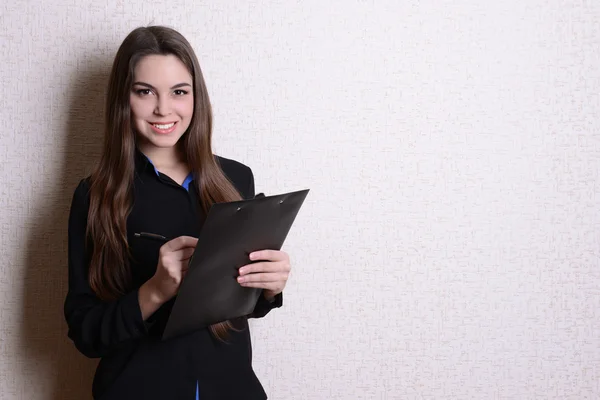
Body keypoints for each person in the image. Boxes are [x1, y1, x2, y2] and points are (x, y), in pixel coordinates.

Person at [63, 25, 290, 400]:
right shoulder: (95, 196)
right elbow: (86, 334)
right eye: (144, 92)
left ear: (195, 98)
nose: (163, 109)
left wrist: (269, 287)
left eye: (179, 92)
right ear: (124, 98)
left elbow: (240, 309)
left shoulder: (236, 178)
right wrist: (154, 291)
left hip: (232, 389)